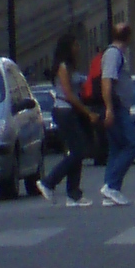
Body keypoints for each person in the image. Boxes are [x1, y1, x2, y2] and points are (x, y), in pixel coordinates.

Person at [40, 32, 91, 205]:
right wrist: (87, 112)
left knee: (78, 151)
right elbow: (68, 94)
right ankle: (49, 182)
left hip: (70, 111)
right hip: (65, 110)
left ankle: (73, 193)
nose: (78, 48)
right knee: (79, 151)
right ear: (68, 47)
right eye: (76, 45)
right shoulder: (62, 67)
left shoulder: (70, 67)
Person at [98, 20, 135, 205]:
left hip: (117, 106)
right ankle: (111, 186)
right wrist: (109, 108)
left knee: (116, 149)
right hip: (116, 107)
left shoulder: (117, 54)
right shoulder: (113, 54)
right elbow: (107, 81)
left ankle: (110, 191)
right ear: (128, 37)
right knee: (132, 144)